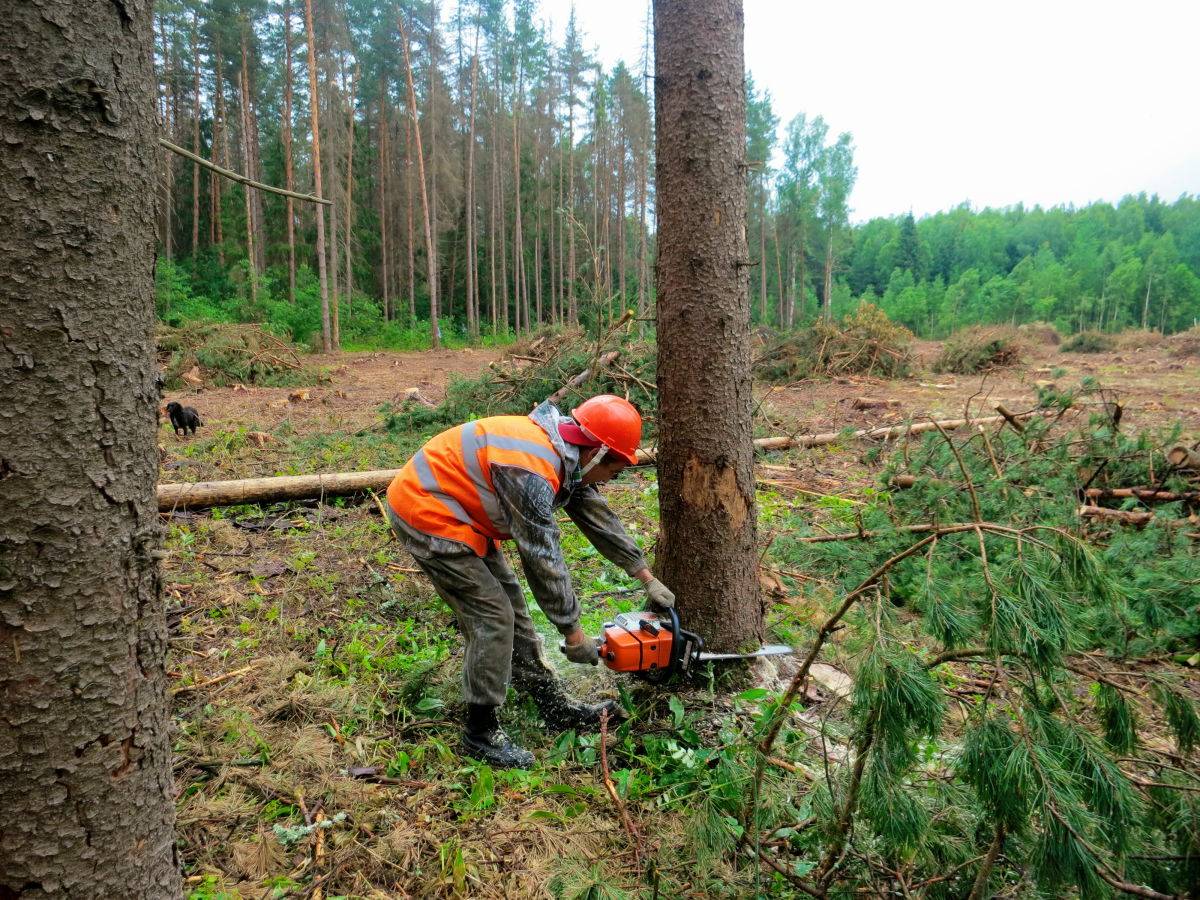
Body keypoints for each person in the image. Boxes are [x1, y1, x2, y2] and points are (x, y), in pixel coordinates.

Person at [385, 394, 675, 768]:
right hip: (427, 512)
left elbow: (598, 518)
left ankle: (552, 707)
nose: (611, 479)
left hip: (463, 512)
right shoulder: (531, 471)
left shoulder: (565, 455)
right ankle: (480, 733)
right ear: (598, 454)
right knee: (493, 617)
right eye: (614, 470)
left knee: (516, 613)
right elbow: (542, 556)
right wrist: (573, 633)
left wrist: (644, 575)